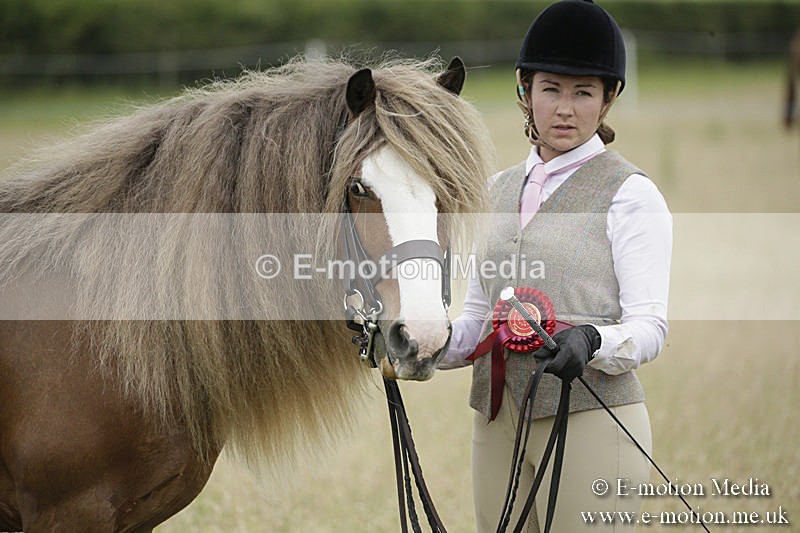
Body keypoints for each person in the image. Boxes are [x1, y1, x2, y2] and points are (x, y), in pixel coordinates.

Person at [439, 1, 672, 531]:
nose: (565, 109)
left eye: (583, 92)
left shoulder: (631, 195)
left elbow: (650, 326)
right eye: (551, 89)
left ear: (608, 98)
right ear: (525, 90)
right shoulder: (493, 191)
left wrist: (593, 339)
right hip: (496, 421)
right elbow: (477, 323)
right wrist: (418, 345)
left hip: (591, 417)